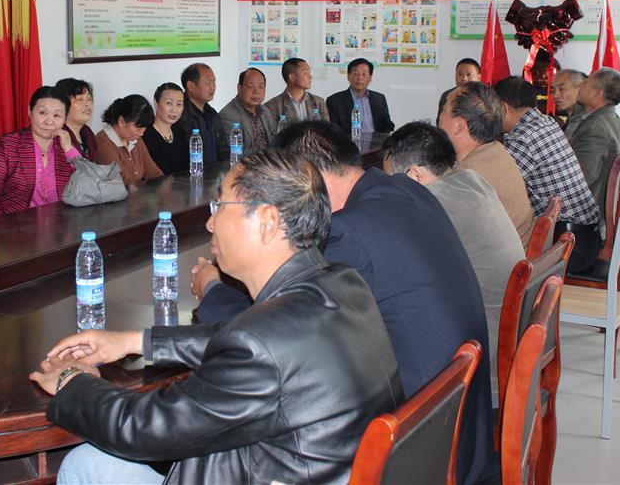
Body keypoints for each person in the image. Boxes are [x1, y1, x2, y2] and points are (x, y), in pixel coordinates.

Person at [30, 148, 402, 484]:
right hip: (305, 468)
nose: (210, 224)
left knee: (85, 464)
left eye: (220, 206)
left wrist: (70, 381)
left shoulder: (263, 343)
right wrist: (134, 341)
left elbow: (144, 428)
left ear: (268, 222)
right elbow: (242, 339)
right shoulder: (342, 282)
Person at [191, 121, 497, 485]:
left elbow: (277, 334)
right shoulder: (406, 191)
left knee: (232, 441)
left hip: (413, 449)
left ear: (309, 179)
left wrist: (212, 289)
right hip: (455, 428)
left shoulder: (347, 231)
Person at [381, 121, 525, 406]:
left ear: (414, 175)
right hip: (507, 342)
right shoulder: (473, 180)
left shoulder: (431, 202)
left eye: (390, 181)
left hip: (479, 362)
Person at [495, 77, 603, 271]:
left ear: (503, 108)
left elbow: (496, 189)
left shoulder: (521, 138)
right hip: (585, 236)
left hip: (568, 247)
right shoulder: (546, 123)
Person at [439, 82, 534, 247]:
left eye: (443, 110)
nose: (439, 118)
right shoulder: (497, 151)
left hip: (503, 261)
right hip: (520, 252)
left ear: (459, 125)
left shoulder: (468, 178)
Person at [0, 86, 79, 218]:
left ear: (64, 119)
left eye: (57, 115)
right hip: (16, 226)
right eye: (42, 113)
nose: (49, 121)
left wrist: (69, 149)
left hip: (61, 225)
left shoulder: (67, 145)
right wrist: (3, 226)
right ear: (29, 111)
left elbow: (90, 185)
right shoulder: (9, 144)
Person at [568, 67, 620, 214]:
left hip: (586, 213)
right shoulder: (612, 119)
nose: (580, 85)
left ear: (598, 94)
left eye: (586, 82)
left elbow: (578, 181)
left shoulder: (596, 128)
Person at [95, 95, 164, 187]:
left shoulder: (136, 140)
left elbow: (152, 171)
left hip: (137, 194)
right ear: (122, 122)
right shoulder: (103, 144)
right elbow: (122, 183)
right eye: (138, 129)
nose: (141, 134)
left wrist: (163, 184)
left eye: (144, 129)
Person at [326, 58, 395, 135]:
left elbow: (388, 125)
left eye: (364, 74)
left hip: (377, 141)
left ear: (370, 78)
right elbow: (333, 130)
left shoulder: (379, 99)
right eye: (355, 74)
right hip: (348, 141)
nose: (360, 78)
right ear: (348, 76)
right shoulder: (335, 101)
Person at [177, 63, 227, 165]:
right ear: (191, 86)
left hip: (215, 172)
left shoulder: (212, 114)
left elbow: (224, 150)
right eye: (208, 83)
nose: (213, 87)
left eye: (214, 82)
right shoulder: (180, 115)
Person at [218, 68, 275, 155]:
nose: (256, 91)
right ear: (239, 88)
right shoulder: (228, 115)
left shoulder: (266, 112)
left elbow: (275, 141)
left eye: (261, 87)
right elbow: (236, 154)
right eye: (250, 86)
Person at [142, 83, 190, 175]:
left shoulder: (179, 129)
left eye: (179, 104)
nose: (174, 110)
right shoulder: (145, 134)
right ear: (156, 103)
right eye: (169, 103)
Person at [263, 58, 328, 124]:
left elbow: (327, 129)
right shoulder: (272, 106)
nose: (310, 77)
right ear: (292, 77)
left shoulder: (319, 102)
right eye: (305, 73)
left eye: (309, 72)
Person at [55, 78, 98, 161]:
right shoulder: (56, 137)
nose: (87, 104)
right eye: (80, 99)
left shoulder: (88, 133)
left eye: (89, 99)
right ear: (63, 104)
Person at [552, 69, 587, 134]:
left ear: (580, 88)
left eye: (561, 89)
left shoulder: (584, 119)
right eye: (553, 91)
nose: (555, 96)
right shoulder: (574, 118)